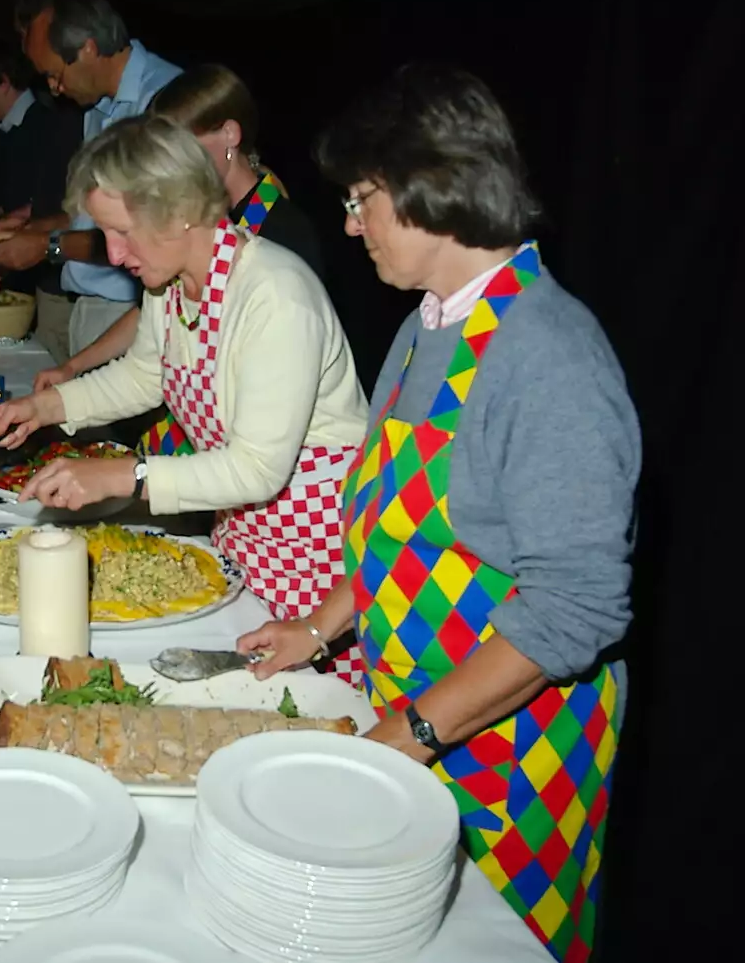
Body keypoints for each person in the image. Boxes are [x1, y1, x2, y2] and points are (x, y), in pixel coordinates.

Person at [238, 63, 639, 962]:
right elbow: (401, 528)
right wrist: (321, 622)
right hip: (416, 722)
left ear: (430, 188)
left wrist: (411, 732)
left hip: (514, 754)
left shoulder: (549, 355)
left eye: (362, 198)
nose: (348, 223)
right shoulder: (428, 325)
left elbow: (574, 608)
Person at [0, 116, 369, 681]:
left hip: (314, 564)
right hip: (243, 540)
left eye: (122, 232)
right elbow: (145, 376)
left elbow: (258, 469)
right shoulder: (169, 284)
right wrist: (46, 407)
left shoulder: (275, 296)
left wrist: (119, 477)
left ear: (180, 209)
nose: (113, 256)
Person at [33, 65, 326, 459]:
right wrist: (72, 373)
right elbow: (149, 350)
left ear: (229, 135)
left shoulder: (280, 241)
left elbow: (259, 457)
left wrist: (132, 479)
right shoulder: (181, 231)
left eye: (177, 144)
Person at [0, 0, 182, 359]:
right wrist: (33, 227)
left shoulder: (166, 100)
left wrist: (46, 246)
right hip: (89, 307)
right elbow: (91, 217)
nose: (54, 90)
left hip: (135, 313)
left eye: (55, 75)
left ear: (88, 48)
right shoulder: (97, 107)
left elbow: (150, 234)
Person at [0, 38, 83, 357]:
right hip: (21, 280)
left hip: (53, 284)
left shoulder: (52, 127)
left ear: (3, 84)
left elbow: (63, 209)